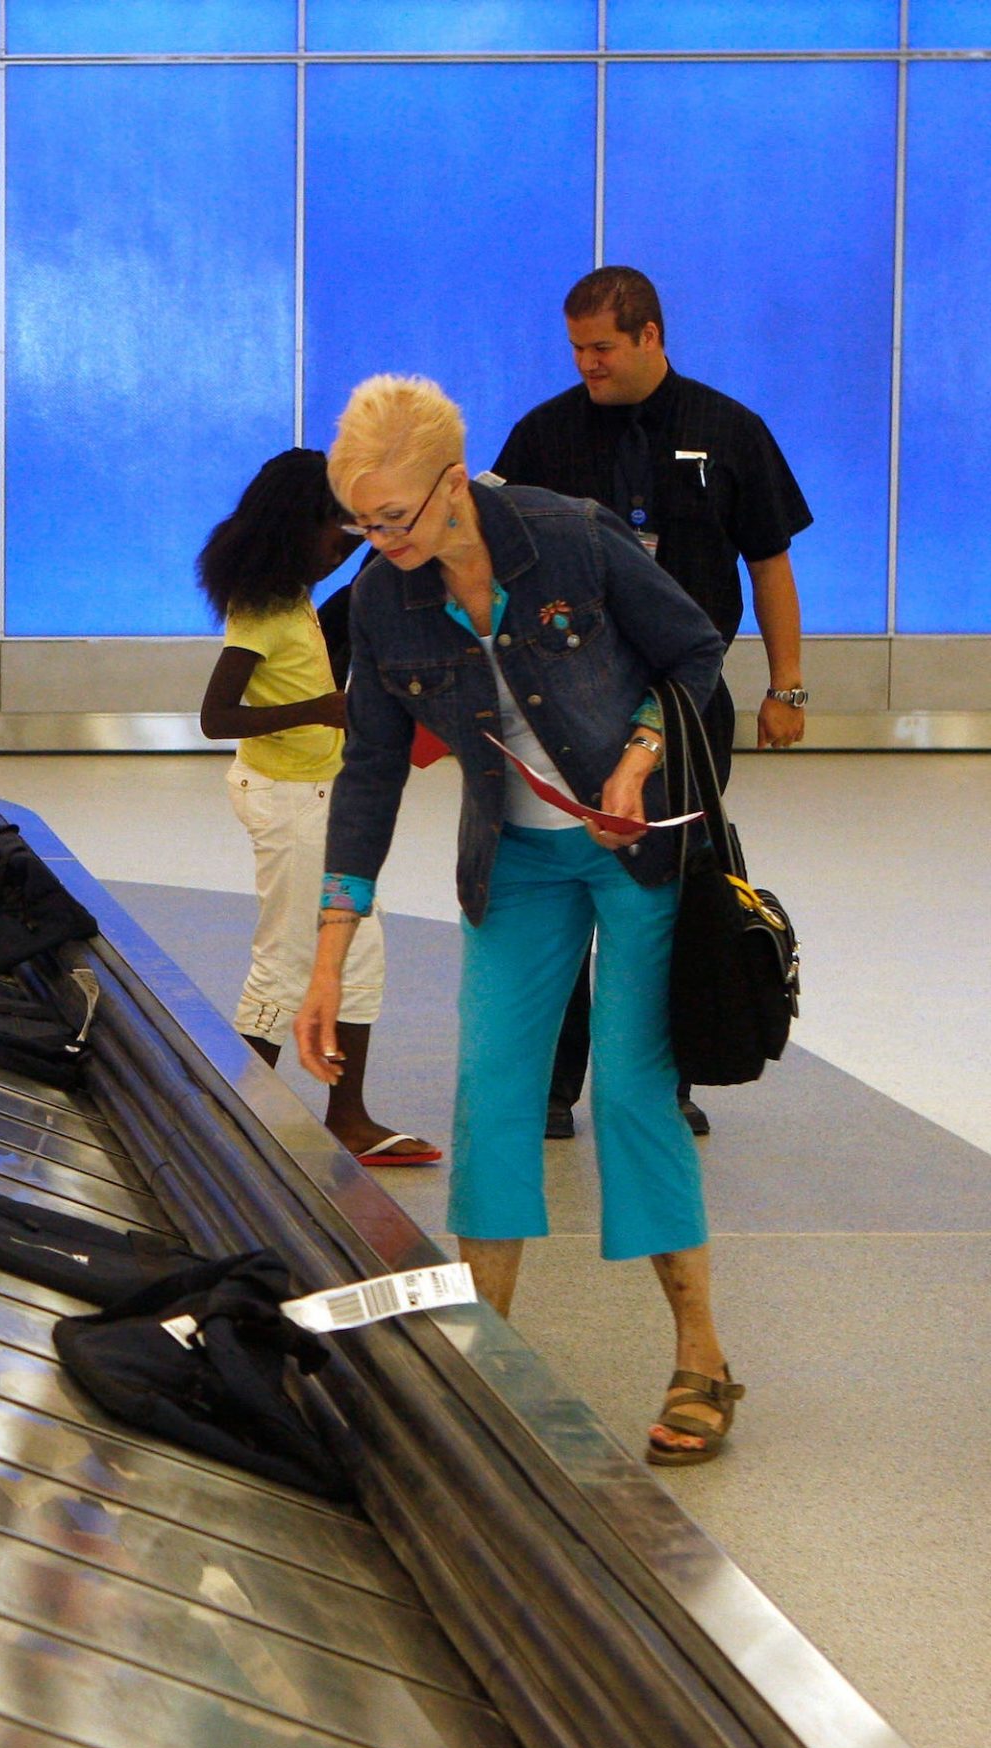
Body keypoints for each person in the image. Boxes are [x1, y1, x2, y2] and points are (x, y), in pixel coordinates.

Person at [296, 375, 744, 1465]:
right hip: (517, 865)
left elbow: (693, 651)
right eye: (360, 521)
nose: (377, 539)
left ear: (452, 483)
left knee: (634, 1091)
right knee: (491, 1090)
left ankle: (702, 1357)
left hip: (635, 849)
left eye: (393, 517)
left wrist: (638, 760)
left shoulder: (567, 537)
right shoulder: (380, 598)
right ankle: (484, 1355)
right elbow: (366, 774)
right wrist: (328, 948)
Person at [491, 267, 812, 1139]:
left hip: (685, 700)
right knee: (559, 886)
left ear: (650, 338)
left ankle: (665, 1075)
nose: (586, 365)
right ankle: (550, 1088)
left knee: (671, 892)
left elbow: (770, 563)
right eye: (576, 350)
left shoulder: (729, 431)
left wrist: (786, 686)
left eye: (601, 349)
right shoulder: (544, 436)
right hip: (567, 703)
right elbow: (495, 558)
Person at [195, 449, 437, 1168]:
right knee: (288, 956)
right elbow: (215, 717)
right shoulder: (265, 610)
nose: (348, 546)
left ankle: (349, 1116)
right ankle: (233, 1115)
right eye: (341, 530)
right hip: (289, 801)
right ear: (299, 525)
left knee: (359, 949)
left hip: (320, 794)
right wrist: (323, 708)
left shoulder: (295, 591)